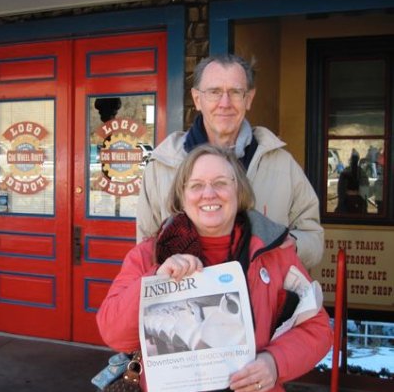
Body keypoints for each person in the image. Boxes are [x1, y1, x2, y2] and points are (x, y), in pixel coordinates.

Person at [98, 144, 332, 392]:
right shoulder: (148, 257)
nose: (208, 193)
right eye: (196, 185)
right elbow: (113, 333)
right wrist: (155, 281)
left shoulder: (275, 253)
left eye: (220, 182)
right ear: (182, 195)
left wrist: (275, 362)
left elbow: (316, 328)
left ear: (238, 191)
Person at [136, 54, 323, 268]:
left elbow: (314, 239)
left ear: (249, 99)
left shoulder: (282, 164)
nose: (225, 103)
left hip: (264, 298)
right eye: (214, 92)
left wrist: (291, 245)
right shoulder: (162, 165)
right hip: (186, 296)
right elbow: (145, 249)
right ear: (197, 99)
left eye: (235, 92)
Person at [335, 149, 368, 214]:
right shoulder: (362, 172)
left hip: (349, 203)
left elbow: (341, 190)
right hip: (355, 203)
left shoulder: (345, 171)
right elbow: (365, 192)